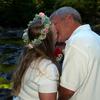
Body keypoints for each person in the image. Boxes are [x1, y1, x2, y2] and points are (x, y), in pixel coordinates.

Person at [50, 6, 100, 100]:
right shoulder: (96, 37)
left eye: (54, 24)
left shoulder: (76, 42)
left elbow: (68, 90)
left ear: (69, 18)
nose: (52, 29)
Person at [12, 12, 60, 100]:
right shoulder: (47, 68)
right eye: (56, 32)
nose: (57, 35)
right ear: (49, 39)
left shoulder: (28, 58)